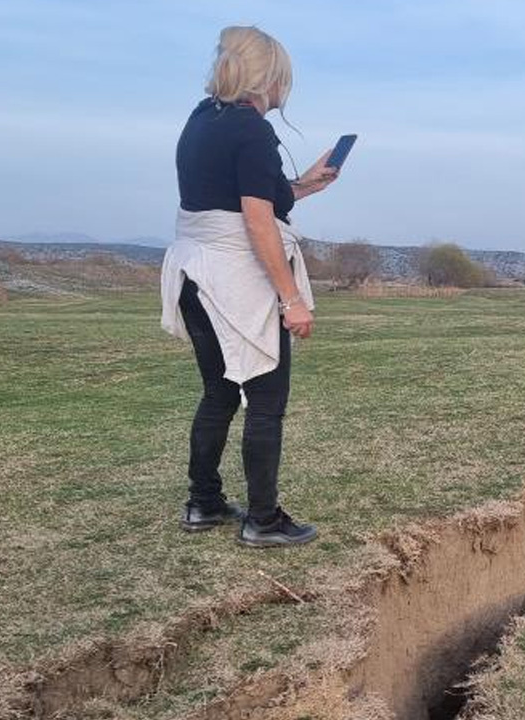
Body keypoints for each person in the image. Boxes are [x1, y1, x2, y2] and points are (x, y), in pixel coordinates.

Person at [159, 26, 340, 548]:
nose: (286, 89)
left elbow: (238, 199)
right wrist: (292, 299)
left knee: (219, 391)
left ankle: (204, 501)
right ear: (270, 79)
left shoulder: (201, 120)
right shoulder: (253, 130)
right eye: (284, 79)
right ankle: (263, 518)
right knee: (266, 398)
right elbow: (257, 221)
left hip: (193, 272)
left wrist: (304, 184)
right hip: (232, 277)